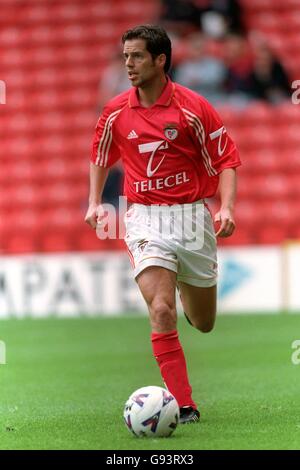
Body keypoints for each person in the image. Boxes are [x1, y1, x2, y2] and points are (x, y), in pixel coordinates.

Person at [85, 25, 241, 424]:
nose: (129, 65)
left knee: (203, 323)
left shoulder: (193, 108)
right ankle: (183, 404)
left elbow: (226, 159)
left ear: (160, 59)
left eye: (136, 56)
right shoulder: (116, 110)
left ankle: (193, 305)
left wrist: (225, 207)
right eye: (125, 57)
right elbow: (101, 155)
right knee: (160, 309)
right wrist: (94, 202)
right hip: (144, 218)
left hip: (191, 218)